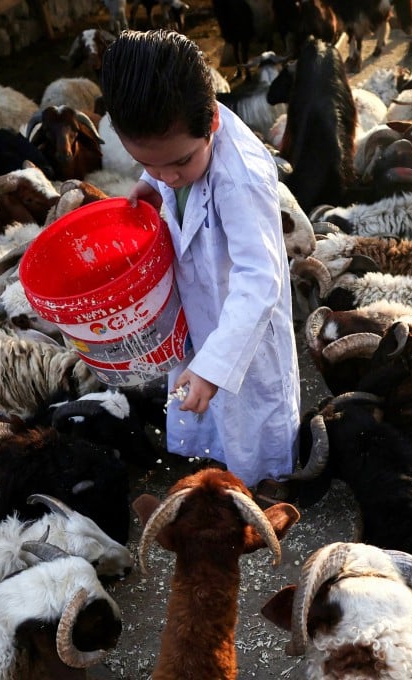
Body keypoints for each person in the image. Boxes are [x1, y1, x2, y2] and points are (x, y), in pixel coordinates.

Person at [99, 29, 300, 500]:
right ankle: (229, 468)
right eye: (146, 164)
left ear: (211, 121)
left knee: (256, 424)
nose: (166, 174)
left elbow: (259, 279)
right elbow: (170, 169)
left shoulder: (241, 178)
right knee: (219, 419)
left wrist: (213, 367)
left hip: (245, 327)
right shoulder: (179, 141)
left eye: (177, 165)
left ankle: (269, 494)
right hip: (205, 310)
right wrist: (162, 188)